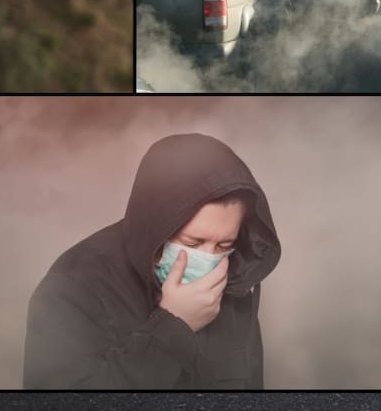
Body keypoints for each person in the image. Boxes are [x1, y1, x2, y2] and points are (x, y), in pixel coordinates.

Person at [23, 133, 282, 389]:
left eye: (223, 245)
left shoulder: (233, 276)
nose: (208, 259)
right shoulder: (73, 287)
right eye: (193, 243)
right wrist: (173, 326)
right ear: (155, 225)